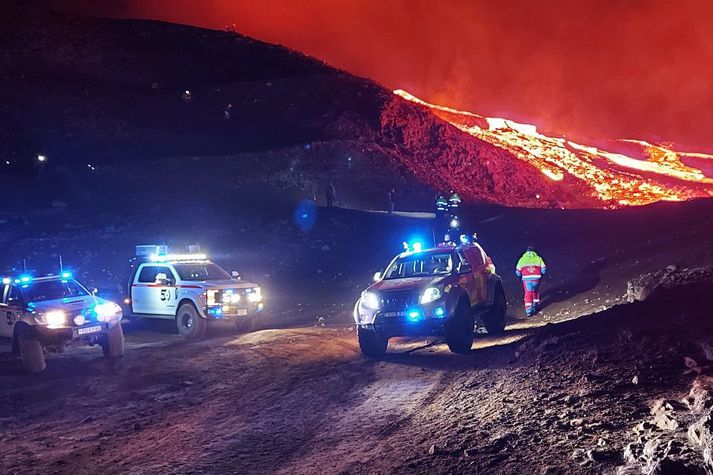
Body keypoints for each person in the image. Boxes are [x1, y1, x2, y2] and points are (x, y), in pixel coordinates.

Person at [515, 246, 547, 317]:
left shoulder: (522, 259)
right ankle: (535, 307)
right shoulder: (538, 258)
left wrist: (520, 275)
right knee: (535, 292)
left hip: (526, 280)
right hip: (536, 279)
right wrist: (541, 272)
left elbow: (517, 272)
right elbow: (544, 269)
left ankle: (529, 311)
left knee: (528, 294)